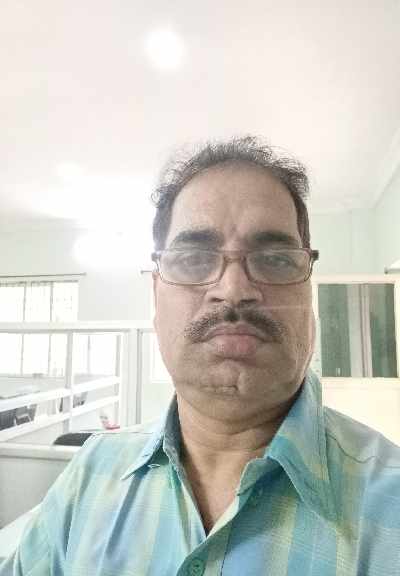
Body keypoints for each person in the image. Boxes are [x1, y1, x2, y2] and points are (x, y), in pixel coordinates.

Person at [1, 136, 400, 575]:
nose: (233, 289)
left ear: (308, 292)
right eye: (193, 258)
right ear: (156, 295)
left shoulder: (391, 503)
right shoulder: (90, 475)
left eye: (275, 259)